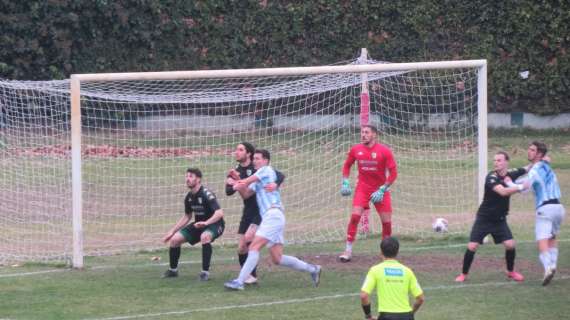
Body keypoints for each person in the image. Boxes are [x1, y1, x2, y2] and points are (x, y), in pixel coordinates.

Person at [224, 149, 321, 290]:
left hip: (273, 215)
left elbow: (245, 182)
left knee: (253, 247)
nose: (255, 161)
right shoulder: (258, 178)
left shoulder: (266, 171)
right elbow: (246, 194)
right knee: (277, 258)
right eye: (254, 159)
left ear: (266, 161)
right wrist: (238, 183)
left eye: (258, 159)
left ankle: (239, 281)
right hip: (272, 217)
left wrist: (237, 179)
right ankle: (313, 269)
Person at [455, 151, 527, 283]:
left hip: (499, 220)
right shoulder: (491, 177)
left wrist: (541, 160)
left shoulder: (511, 173)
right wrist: (521, 187)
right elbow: (503, 192)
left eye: (499, 160)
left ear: (506, 162)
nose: (496, 163)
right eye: (494, 160)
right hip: (484, 218)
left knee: (510, 245)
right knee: (472, 246)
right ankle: (463, 274)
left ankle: (510, 272)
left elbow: (528, 168)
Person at [225, 142, 285, 285]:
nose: (236, 152)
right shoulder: (236, 170)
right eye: (236, 150)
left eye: (240, 150)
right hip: (248, 211)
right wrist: (235, 182)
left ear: (249, 153)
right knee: (241, 248)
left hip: (262, 212)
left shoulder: (260, 168)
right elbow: (231, 192)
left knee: (250, 240)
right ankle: (247, 275)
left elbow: (280, 175)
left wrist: (276, 184)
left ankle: (246, 278)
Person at [340, 124, 398, 262]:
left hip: (380, 190)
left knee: (386, 223)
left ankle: (385, 255)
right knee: (355, 217)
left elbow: (394, 173)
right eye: (362, 132)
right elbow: (347, 166)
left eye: (366, 132)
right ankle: (347, 251)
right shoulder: (356, 149)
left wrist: (383, 189)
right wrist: (345, 182)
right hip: (363, 188)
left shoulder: (385, 151)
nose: (363, 135)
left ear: (374, 135)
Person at [162, 168, 225, 281]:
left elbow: (219, 213)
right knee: (175, 240)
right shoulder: (189, 197)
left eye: (191, 176)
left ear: (198, 179)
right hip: (199, 225)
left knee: (205, 237)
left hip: (215, 224)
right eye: (186, 176)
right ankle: (173, 270)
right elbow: (187, 216)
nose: (187, 179)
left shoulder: (207, 194)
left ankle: (205, 273)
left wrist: (206, 223)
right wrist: (172, 231)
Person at [519, 141, 565, 286]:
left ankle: (548, 268)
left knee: (542, 241)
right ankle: (553, 265)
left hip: (545, 209)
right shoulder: (547, 166)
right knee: (552, 237)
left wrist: (508, 183)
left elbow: (525, 187)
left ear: (539, 154)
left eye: (532, 150)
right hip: (559, 208)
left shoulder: (535, 169)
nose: (529, 151)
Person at [360, 237, 424, 320]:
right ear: (397, 252)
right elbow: (420, 298)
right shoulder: (407, 271)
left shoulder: (375, 270)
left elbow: (363, 296)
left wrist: (368, 316)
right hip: (407, 316)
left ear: (381, 252)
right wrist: (411, 313)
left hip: (387, 316)